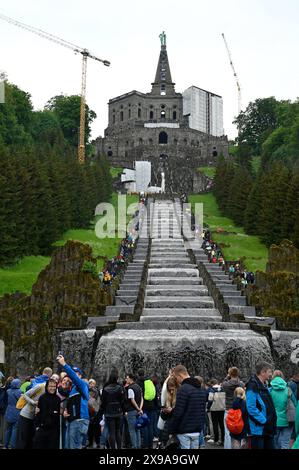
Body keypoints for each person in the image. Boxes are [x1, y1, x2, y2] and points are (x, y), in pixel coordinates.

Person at [168, 365, 207, 449]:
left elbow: (178, 413)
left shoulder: (184, 389)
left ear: (180, 375)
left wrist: (171, 430)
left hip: (184, 431)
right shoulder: (200, 389)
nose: (176, 380)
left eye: (175, 377)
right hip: (196, 431)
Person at [57, 355, 90, 449]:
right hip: (73, 421)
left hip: (79, 420)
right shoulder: (73, 389)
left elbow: (74, 378)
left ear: (80, 376)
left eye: (76, 373)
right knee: (69, 446)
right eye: (73, 373)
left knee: (74, 446)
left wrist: (64, 364)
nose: (74, 375)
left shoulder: (82, 385)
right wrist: (66, 411)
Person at [246, 361, 277, 449]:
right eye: (269, 372)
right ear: (263, 372)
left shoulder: (264, 384)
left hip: (267, 427)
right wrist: (264, 420)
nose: (271, 374)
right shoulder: (252, 385)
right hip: (259, 429)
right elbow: (251, 407)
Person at [270, 370, 297, 449]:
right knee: (285, 442)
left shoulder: (270, 390)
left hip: (274, 421)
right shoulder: (288, 390)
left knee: (275, 441)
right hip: (288, 420)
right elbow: (295, 404)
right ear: (282, 377)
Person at [100, 369, 125, 449]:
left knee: (112, 432)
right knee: (118, 431)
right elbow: (123, 400)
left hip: (109, 412)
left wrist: (103, 411)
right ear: (117, 378)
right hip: (118, 412)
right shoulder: (120, 388)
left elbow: (103, 401)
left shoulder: (106, 388)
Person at [33, 378, 61, 449]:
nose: (52, 388)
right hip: (42, 429)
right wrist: (37, 427)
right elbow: (38, 413)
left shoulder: (58, 399)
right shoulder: (42, 398)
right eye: (50, 386)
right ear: (47, 387)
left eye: (54, 386)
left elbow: (57, 415)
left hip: (53, 431)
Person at [222, 367, 245, 449]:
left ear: (230, 374)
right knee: (239, 431)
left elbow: (223, 382)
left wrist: (227, 376)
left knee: (228, 432)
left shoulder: (226, 384)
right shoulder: (241, 384)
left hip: (229, 410)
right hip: (239, 411)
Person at [124, 373, 143, 449]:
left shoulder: (130, 388)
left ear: (131, 379)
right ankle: (138, 446)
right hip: (138, 411)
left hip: (131, 411)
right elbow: (142, 399)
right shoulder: (139, 387)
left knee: (132, 430)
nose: (126, 379)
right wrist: (140, 409)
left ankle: (134, 446)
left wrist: (138, 409)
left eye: (127, 378)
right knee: (137, 430)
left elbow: (132, 400)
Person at [4, 378, 22, 449]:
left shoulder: (8, 391)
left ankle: (5, 445)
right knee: (15, 429)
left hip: (8, 411)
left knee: (8, 429)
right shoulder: (20, 392)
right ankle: (12, 446)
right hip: (16, 411)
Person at [208, 379, 225, 446]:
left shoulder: (212, 390)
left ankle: (216, 439)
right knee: (222, 424)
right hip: (222, 409)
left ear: (212, 384)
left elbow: (210, 400)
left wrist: (208, 408)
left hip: (214, 409)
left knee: (215, 424)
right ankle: (223, 439)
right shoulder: (223, 389)